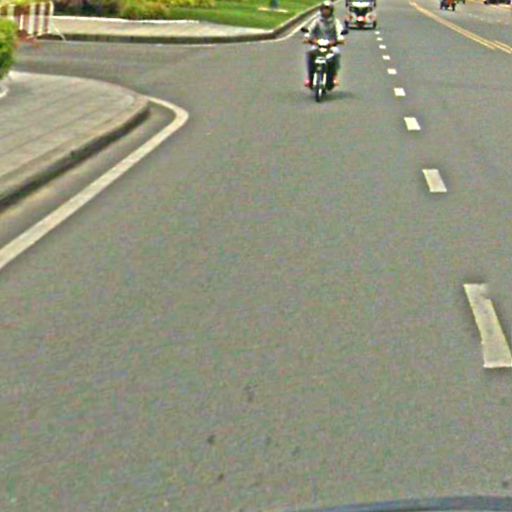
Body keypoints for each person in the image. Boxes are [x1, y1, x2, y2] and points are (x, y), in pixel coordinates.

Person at [304, 0, 346, 89]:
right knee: (310, 53)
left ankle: (334, 76)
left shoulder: (335, 21)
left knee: (336, 53)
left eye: (328, 9)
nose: (326, 11)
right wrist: (308, 37)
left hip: (331, 45)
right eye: (324, 9)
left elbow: (339, 31)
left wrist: (340, 39)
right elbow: (310, 30)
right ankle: (310, 77)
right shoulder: (317, 21)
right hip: (317, 45)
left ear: (331, 11)